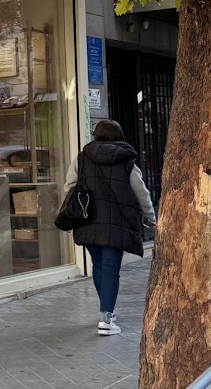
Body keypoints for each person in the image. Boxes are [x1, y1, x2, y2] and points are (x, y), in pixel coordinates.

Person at [62, 119, 156, 336]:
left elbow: (69, 187)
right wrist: (151, 218)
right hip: (117, 223)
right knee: (111, 267)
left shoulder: (82, 158)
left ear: (96, 135)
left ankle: (106, 312)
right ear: (119, 136)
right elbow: (141, 193)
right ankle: (106, 318)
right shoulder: (127, 161)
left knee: (98, 265)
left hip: (88, 220)